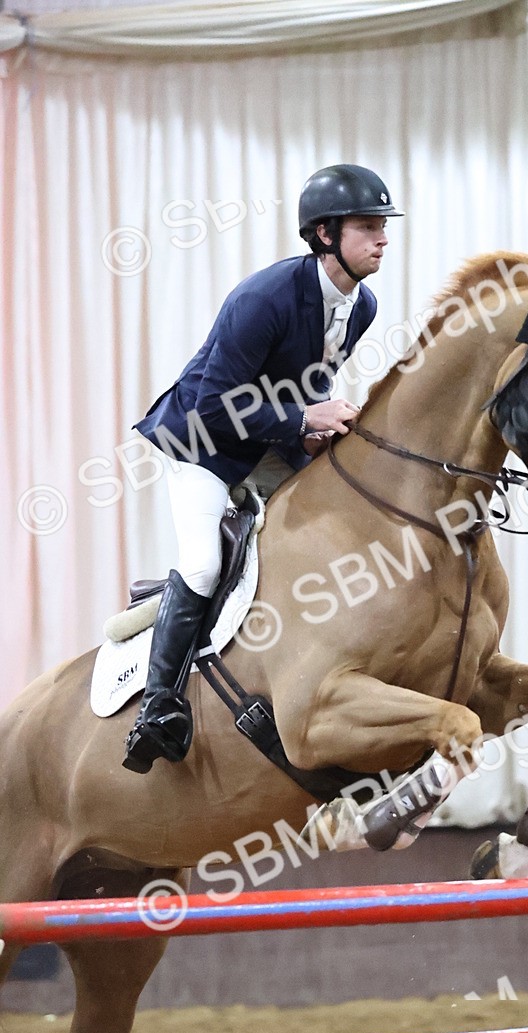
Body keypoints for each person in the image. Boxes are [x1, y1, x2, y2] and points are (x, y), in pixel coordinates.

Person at [123, 163, 403, 774]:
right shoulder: (263, 298)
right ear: (325, 235)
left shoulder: (363, 305)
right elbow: (213, 407)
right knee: (202, 563)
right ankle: (159, 706)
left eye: (384, 226)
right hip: (202, 444)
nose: (383, 238)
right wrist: (303, 420)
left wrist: (314, 428)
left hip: (267, 444)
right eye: (368, 227)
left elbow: (311, 379)